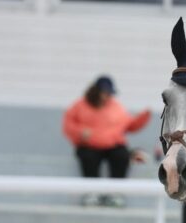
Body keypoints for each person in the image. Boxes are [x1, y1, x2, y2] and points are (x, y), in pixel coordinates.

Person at [62, 76, 151, 206]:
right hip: (89, 145)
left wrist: (142, 119)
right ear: (96, 91)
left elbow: (129, 125)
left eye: (109, 93)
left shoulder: (116, 107)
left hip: (112, 145)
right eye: (105, 92)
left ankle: (115, 193)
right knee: (88, 157)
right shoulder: (80, 105)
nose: (107, 96)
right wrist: (80, 132)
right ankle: (92, 193)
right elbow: (68, 125)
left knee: (121, 156)